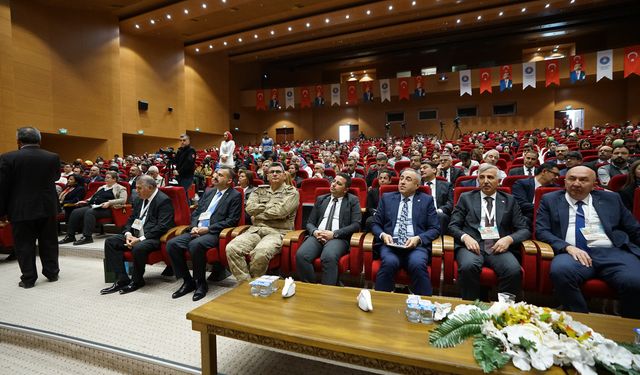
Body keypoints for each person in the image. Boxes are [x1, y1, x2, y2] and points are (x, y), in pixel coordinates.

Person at [535, 166, 640, 318]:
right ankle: (580, 320)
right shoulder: (550, 200)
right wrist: (567, 248)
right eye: (572, 179)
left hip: (611, 252)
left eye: (583, 180)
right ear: (565, 181)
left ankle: (630, 329)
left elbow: (633, 228)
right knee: (561, 271)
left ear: (594, 183)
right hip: (573, 253)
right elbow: (542, 231)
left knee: (636, 281)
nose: (576, 183)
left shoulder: (612, 199)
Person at [448, 164, 530, 301]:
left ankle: (504, 310)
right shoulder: (466, 198)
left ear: (499, 181)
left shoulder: (509, 200)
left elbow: (524, 229)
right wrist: (465, 237)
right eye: (482, 177)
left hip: (498, 245)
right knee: (468, 266)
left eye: (490, 177)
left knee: (513, 270)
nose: (485, 181)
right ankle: (471, 307)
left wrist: (508, 239)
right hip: (472, 245)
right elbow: (453, 226)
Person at [167, 167, 242, 301]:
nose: (215, 176)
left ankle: (201, 282)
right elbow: (197, 212)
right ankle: (187, 281)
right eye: (215, 174)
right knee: (172, 244)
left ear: (229, 180)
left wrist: (207, 229)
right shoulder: (209, 192)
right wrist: (195, 226)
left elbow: (231, 221)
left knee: (196, 245)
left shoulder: (234, 195)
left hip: (214, 232)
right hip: (197, 229)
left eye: (220, 175)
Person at [0, 127, 60, 288]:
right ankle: (52, 272)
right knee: (49, 241)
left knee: (24, 244)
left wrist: (2, 212)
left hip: (20, 208)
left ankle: (28, 278)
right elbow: (56, 177)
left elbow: (2, 187)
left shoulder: (7, 158)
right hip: (46, 206)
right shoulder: (52, 157)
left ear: (18, 141)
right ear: (39, 140)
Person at [225, 162, 299, 282]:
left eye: (278, 172)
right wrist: (269, 208)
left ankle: (255, 283)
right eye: (272, 172)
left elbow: (280, 212)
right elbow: (249, 209)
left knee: (260, 252)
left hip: (277, 232)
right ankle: (247, 285)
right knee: (232, 248)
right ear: (267, 176)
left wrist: (259, 211)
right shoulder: (259, 191)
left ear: (284, 176)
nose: (275, 174)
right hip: (255, 230)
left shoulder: (291, 192)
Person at [100, 175, 175, 295]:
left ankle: (137, 281)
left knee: (139, 247)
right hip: (135, 234)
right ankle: (122, 279)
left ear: (150, 187)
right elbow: (131, 219)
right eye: (136, 188)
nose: (136, 191)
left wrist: (140, 239)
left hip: (152, 237)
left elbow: (163, 226)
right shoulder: (139, 199)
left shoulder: (163, 200)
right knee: (111, 242)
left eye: (139, 188)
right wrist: (128, 234)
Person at [371, 168, 441, 296]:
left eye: (408, 180)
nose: (402, 182)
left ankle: (424, 304)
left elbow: (435, 228)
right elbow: (375, 224)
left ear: (417, 185)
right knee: (389, 262)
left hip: (415, 246)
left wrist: (418, 238)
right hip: (391, 244)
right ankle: (380, 300)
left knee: (418, 263)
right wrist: (383, 235)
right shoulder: (387, 198)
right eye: (401, 178)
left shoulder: (426, 200)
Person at [296, 174, 361, 285]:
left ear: (345, 190)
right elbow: (310, 223)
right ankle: (311, 288)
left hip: (338, 238)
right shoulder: (321, 199)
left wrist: (334, 234)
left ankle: (328, 290)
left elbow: (356, 224)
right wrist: (315, 232)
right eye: (333, 181)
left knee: (328, 257)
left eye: (338, 184)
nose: (333, 184)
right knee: (301, 255)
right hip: (318, 235)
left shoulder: (352, 200)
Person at [59, 171, 128, 246]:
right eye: (105, 177)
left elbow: (123, 200)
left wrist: (109, 202)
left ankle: (87, 237)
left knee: (90, 212)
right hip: (94, 206)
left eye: (108, 178)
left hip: (108, 209)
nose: (105, 179)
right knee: (76, 211)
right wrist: (84, 201)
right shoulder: (101, 187)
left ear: (114, 179)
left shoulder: (121, 188)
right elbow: (93, 197)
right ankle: (70, 236)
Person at [420, 161, 454, 234]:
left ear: (434, 170)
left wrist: (439, 210)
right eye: (421, 168)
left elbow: (451, 203)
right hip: (421, 214)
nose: (422, 170)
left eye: (425, 167)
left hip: (439, 214)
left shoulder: (446, 185)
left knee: (441, 216)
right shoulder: (417, 186)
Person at [175, 134, 196, 201]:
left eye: (184, 140)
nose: (182, 142)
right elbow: (176, 162)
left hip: (187, 177)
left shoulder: (191, 150)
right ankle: (187, 210)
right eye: (181, 140)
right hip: (179, 176)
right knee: (183, 195)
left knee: (182, 194)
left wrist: (179, 171)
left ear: (188, 141)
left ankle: (186, 210)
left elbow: (188, 164)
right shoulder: (180, 151)